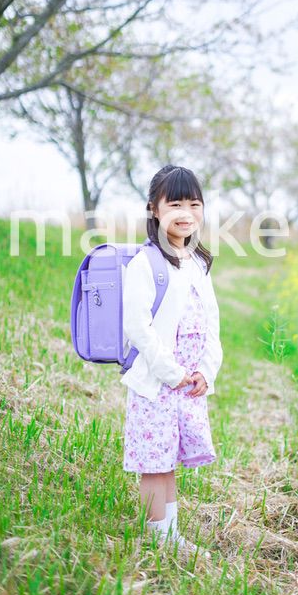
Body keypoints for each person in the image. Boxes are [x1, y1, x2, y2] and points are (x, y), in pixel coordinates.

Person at [120, 164, 223, 554]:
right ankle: (157, 534)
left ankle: (170, 533)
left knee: (170, 458)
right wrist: (172, 372)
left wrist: (206, 371)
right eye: (175, 204)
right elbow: (138, 326)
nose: (186, 213)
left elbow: (212, 321)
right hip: (158, 381)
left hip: (188, 384)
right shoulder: (146, 263)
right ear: (154, 208)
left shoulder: (197, 262)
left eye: (194, 204)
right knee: (154, 462)